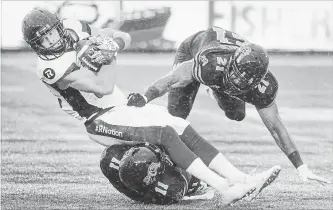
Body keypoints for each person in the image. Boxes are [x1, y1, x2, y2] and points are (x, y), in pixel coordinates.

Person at [21, 9, 281, 206]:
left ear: (59, 26)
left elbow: (121, 35)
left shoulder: (73, 26)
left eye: (52, 33)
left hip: (118, 108)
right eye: (43, 41)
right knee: (165, 132)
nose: (51, 42)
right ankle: (223, 188)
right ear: (36, 47)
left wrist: (108, 43)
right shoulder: (50, 68)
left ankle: (240, 178)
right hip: (98, 118)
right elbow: (102, 87)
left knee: (181, 126)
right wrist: (108, 55)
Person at [126, 26, 331, 185]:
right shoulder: (211, 62)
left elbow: (276, 128)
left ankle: (213, 88)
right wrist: (146, 97)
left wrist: (300, 166)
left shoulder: (264, 88)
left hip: (216, 74)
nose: (235, 81)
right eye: (234, 74)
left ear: (257, 82)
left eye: (243, 81)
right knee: (177, 117)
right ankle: (169, 165)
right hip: (194, 51)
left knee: (236, 115)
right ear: (232, 62)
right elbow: (173, 79)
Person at [100, 142, 215, 205]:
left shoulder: (111, 157)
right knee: (109, 157)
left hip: (139, 183)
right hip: (157, 184)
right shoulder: (170, 189)